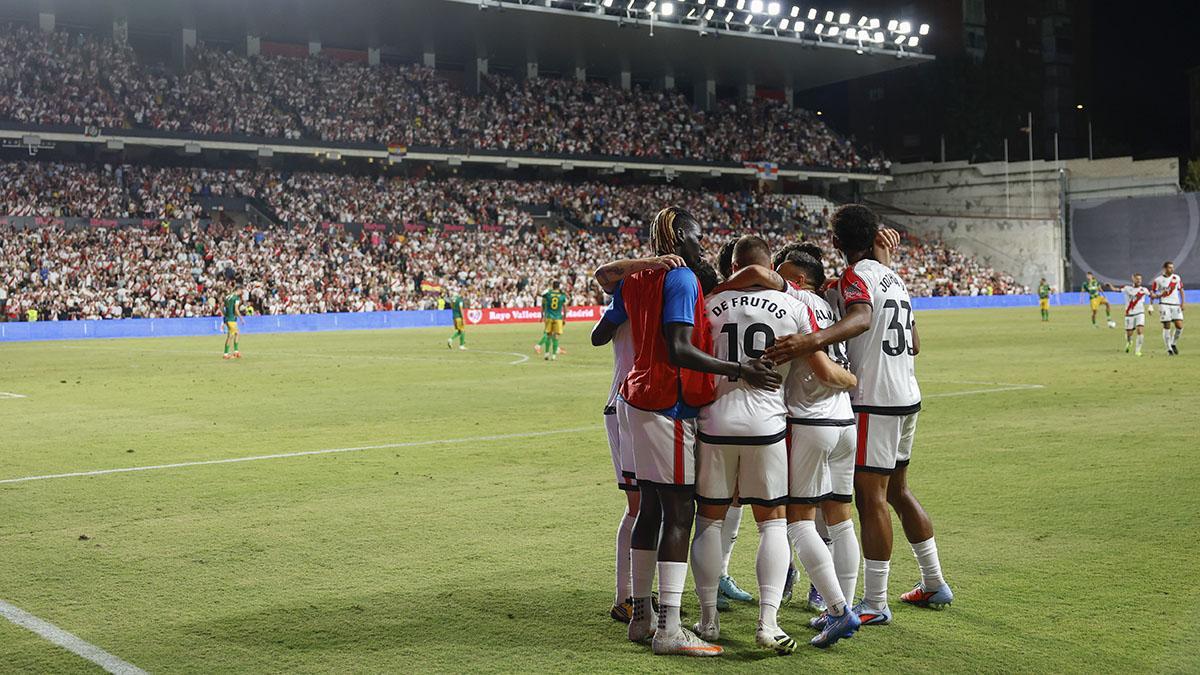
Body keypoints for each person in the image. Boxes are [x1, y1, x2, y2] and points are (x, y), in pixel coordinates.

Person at [593, 207, 781, 657]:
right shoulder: (681, 279)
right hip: (668, 402)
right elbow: (679, 349)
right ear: (679, 237)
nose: (701, 243)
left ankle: (640, 618)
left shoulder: (634, 280)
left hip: (635, 399)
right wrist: (740, 369)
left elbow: (602, 333)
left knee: (650, 511)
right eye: (696, 236)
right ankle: (670, 628)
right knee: (678, 514)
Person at [764, 204, 953, 626]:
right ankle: (934, 581)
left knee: (870, 499)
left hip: (874, 400)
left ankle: (874, 603)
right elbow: (916, 343)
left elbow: (863, 317)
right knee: (899, 491)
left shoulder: (855, 278)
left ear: (835, 241)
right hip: (907, 395)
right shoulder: (894, 277)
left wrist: (808, 341)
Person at [690, 235, 858, 653]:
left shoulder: (708, 303)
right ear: (769, 266)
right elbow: (818, 360)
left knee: (709, 520)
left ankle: (707, 620)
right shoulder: (796, 305)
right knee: (773, 523)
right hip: (767, 424)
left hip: (715, 421)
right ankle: (768, 623)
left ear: (733, 267)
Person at [591, 283, 642, 624]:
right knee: (639, 506)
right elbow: (598, 335)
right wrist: (619, 302)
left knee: (652, 506)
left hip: (645, 406)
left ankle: (636, 594)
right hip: (627, 406)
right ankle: (626, 597)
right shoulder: (629, 298)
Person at [1104, 275, 1150, 356]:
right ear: (1133, 279)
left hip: (1140, 313)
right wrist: (1110, 286)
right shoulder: (1127, 288)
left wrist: (1152, 305)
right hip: (1129, 315)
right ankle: (1129, 342)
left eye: (1140, 279)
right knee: (1129, 334)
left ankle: (1138, 351)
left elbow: (1152, 295)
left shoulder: (1144, 290)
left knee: (1140, 331)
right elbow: (1116, 290)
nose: (1139, 281)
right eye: (1137, 279)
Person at [1150, 261, 1184, 355]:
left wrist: (1182, 303)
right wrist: (1151, 305)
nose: (1172, 269)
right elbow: (1152, 293)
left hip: (1175, 304)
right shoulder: (1158, 280)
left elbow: (1181, 290)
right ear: (1164, 269)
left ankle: (1173, 343)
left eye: (1172, 267)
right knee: (1167, 326)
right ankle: (1169, 349)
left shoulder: (1176, 278)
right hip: (1164, 304)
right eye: (1170, 267)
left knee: (1179, 326)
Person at [537, 281, 570, 360]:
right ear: (559, 287)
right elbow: (565, 308)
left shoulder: (548, 294)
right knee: (556, 336)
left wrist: (538, 285)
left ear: (552, 286)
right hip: (558, 317)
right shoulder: (562, 296)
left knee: (548, 335)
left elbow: (540, 297)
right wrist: (564, 318)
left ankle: (546, 353)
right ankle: (554, 355)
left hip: (549, 317)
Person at [222, 283, 243, 360]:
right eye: (241, 291)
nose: (241, 292)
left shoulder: (227, 296)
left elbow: (221, 306)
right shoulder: (236, 298)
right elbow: (236, 309)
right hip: (231, 319)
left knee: (236, 333)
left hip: (228, 318)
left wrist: (225, 314)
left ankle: (236, 352)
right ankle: (226, 354)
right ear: (238, 290)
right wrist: (241, 318)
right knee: (231, 335)